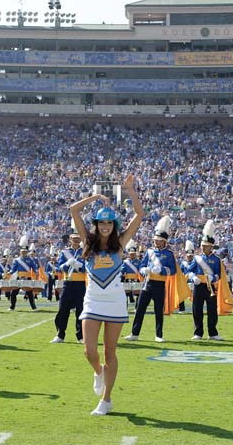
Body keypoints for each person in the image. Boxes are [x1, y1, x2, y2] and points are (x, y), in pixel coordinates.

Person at [72, 174, 144, 416]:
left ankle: (106, 400)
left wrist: (130, 191)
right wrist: (95, 197)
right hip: (92, 301)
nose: (105, 227)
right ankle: (98, 371)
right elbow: (73, 210)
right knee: (88, 350)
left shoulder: (121, 244)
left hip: (114, 303)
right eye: (101, 223)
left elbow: (139, 216)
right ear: (96, 224)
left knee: (109, 352)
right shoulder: (87, 243)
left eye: (109, 223)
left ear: (114, 226)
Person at [125, 216, 178, 343]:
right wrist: (144, 271)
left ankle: (159, 335)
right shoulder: (149, 252)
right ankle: (134, 333)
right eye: (155, 240)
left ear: (164, 241)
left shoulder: (169, 254)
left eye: (159, 240)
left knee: (158, 311)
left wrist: (162, 270)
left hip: (160, 284)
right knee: (140, 309)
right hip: (147, 283)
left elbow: (173, 270)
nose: (156, 242)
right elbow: (142, 265)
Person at [186, 221, 227, 341]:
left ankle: (213, 333)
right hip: (199, 285)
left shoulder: (216, 259)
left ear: (211, 246)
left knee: (212, 310)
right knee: (197, 309)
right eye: (202, 245)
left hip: (211, 287)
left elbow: (219, 274)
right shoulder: (197, 258)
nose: (203, 247)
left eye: (206, 246)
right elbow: (189, 271)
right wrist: (194, 277)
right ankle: (198, 332)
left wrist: (213, 278)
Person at [51, 231, 86, 343]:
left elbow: (88, 267)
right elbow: (60, 267)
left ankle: (80, 336)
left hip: (80, 283)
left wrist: (80, 266)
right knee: (63, 309)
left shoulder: (85, 251)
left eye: (77, 238)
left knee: (81, 310)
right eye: (73, 238)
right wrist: (67, 264)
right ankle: (60, 334)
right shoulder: (65, 252)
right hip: (68, 283)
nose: (76, 240)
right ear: (70, 240)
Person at [7, 236, 39, 311]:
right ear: (20, 252)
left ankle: (34, 307)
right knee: (14, 293)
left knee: (30, 294)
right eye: (22, 252)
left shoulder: (30, 259)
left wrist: (36, 272)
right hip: (19, 277)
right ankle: (12, 307)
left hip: (28, 278)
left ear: (27, 252)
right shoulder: (17, 260)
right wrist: (10, 272)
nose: (23, 253)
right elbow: (13, 269)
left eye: (25, 251)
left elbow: (34, 267)